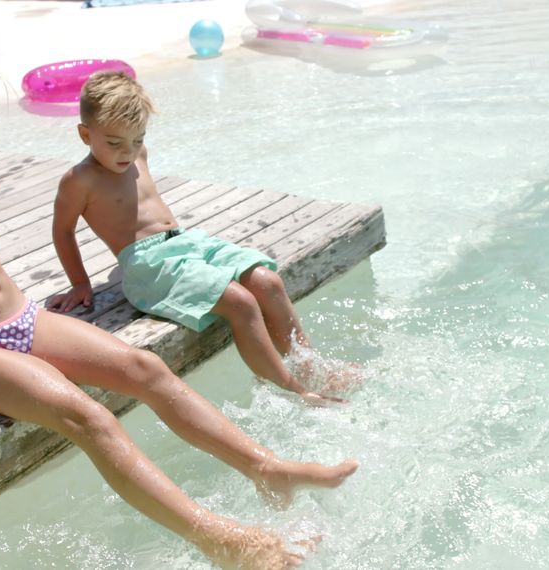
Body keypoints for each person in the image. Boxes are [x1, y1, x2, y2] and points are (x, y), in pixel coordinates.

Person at [0, 36, 358, 569]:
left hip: (24, 318)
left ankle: (266, 468)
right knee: (89, 417)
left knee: (144, 366)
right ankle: (223, 542)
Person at [49, 72, 358, 404]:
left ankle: (309, 365)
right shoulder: (80, 180)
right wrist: (80, 283)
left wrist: (133, 146)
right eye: (114, 143)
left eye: (137, 139)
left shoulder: (140, 154)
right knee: (240, 302)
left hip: (185, 243)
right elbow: (62, 231)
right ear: (85, 134)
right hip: (148, 265)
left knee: (268, 282)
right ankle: (292, 388)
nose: (127, 151)